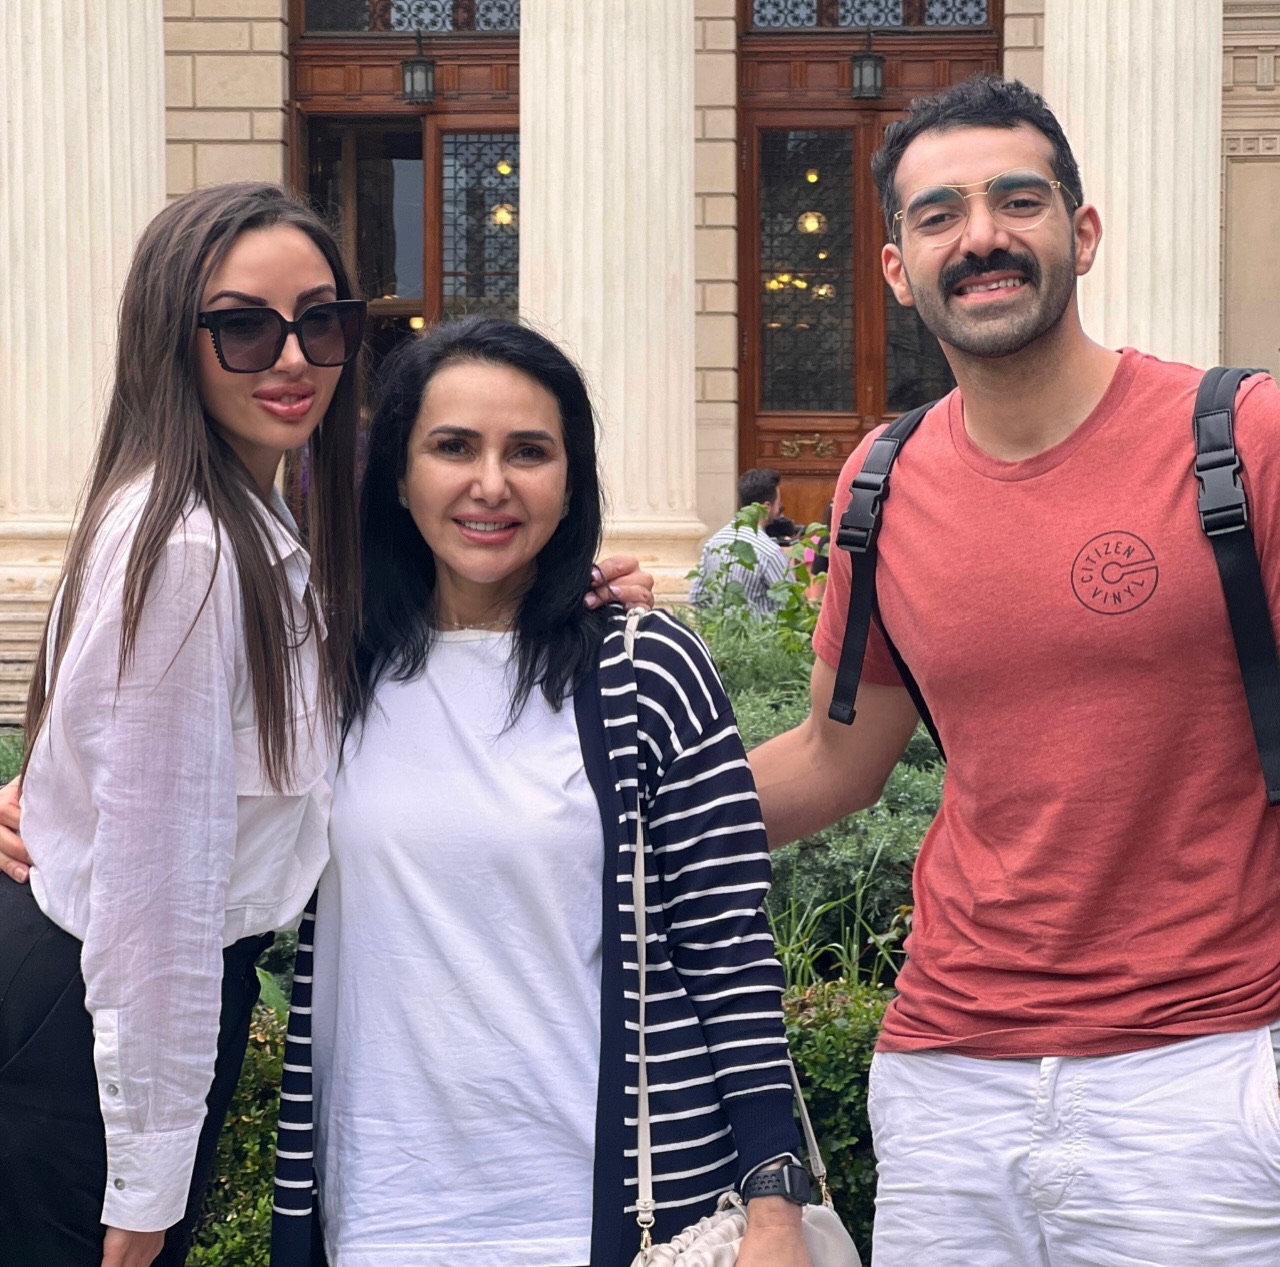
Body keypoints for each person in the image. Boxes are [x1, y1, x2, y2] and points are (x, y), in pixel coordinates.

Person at [0, 186, 652, 1267]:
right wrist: (148, 1182)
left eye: (323, 320)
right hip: (93, 1032)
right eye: (244, 327)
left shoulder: (246, 520)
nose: (293, 357)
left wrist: (548, 589)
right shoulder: (192, 549)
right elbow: (155, 903)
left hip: (99, 1015)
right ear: (172, 336)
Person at [748, 77, 1280, 1266]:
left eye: (1016, 201)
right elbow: (835, 758)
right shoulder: (880, 482)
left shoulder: (1240, 439)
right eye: (938, 215)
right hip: (946, 1082)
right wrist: (591, 799)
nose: (979, 235)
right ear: (897, 269)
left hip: (1200, 1081)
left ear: (1080, 233)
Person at [269, 317, 813, 1267]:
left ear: (571, 481)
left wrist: (775, 1212)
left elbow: (729, 950)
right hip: (382, 1215)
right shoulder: (324, 671)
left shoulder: (645, 669)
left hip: (612, 1220)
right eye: (453, 447)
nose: (491, 483)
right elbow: (182, 805)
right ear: (398, 475)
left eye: (529, 451)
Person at [688, 467, 791, 614]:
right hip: (759, 628)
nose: (779, 509)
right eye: (778, 504)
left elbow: (696, 596)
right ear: (766, 507)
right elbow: (790, 605)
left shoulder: (713, 543)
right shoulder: (769, 552)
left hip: (719, 627)